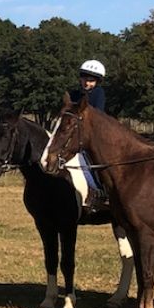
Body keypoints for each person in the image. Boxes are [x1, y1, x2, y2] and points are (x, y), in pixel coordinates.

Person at [69, 58, 107, 209]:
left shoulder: (99, 94)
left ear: (97, 81)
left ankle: (100, 191)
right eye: (85, 78)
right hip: (74, 136)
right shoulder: (75, 94)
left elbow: (98, 115)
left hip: (92, 137)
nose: (87, 83)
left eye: (91, 80)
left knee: (93, 162)